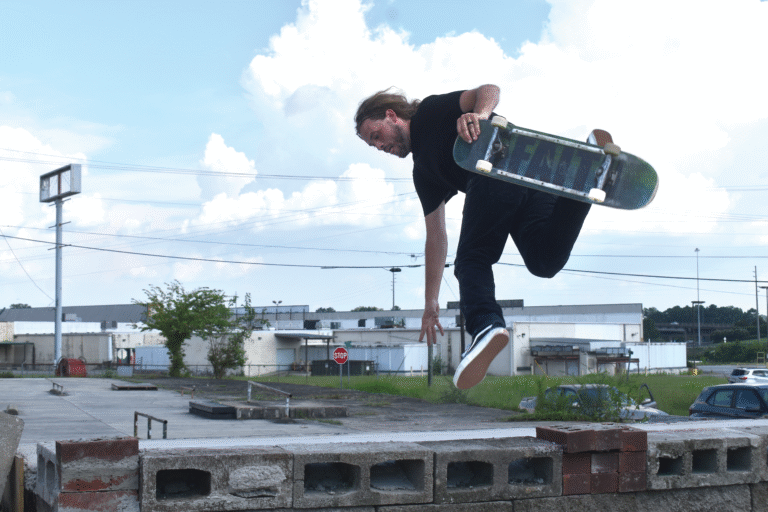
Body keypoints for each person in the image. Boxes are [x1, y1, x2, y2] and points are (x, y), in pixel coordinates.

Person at [355, 85, 604, 389]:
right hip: (529, 183)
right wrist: (430, 302)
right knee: (543, 260)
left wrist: (479, 115)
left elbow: (488, 89)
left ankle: (486, 325)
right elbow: (436, 236)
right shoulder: (423, 173)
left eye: (376, 136)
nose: (379, 147)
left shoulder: (431, 112)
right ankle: (584, 175)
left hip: (497, 165)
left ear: (391, 116)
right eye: (373, 145)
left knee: (472, 261)